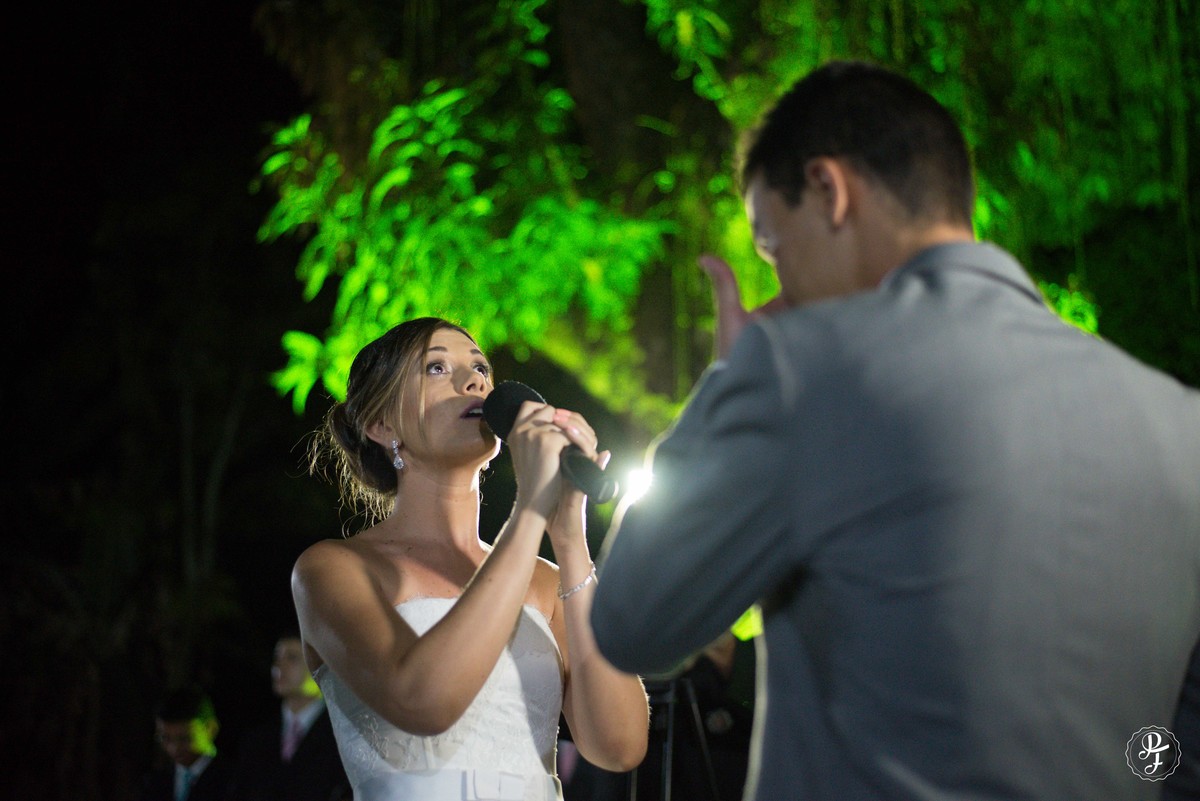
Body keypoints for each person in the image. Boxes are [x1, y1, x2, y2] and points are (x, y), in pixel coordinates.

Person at [590, 60, 1200, 800]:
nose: (781, 287)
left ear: (828, 189)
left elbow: (631, 620)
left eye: (773, 245)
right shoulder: (1178, 419)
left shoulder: (803, 367)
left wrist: (728, 385)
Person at [291, 317, 648, 801]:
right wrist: (529, 509)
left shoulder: (547, 581)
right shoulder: (334, 569)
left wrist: (569, 539)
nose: (474, 380)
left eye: (480, 367)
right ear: (382, 424)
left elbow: (619, 746)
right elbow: (423, 702)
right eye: (436, 367)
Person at [230, 634, 349, 801]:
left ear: (321, 664)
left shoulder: (342, 736)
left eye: (292, 658)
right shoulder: (257, 738)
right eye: (277, 657)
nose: (279, 665)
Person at [140, 686, 235, 801]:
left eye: (185, 738)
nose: (173, 749)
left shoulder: (234, 780)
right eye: (165, 738)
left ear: (211, 729)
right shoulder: (155, 780)